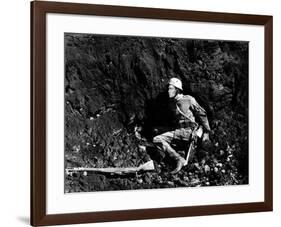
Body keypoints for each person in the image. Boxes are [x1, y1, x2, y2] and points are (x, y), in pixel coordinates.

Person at [153, 78, 211, 174]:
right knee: (156, 130)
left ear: (177, 90)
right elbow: (176, 123)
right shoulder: (172, 103)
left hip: (189, 132)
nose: (168, 91)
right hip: (180, 131)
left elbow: (202, 114)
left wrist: (207, 132)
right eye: (168, 88)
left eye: (171, 88)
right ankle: (175, 153)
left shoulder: (188, 99)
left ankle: (178, 159)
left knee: (157, 139)